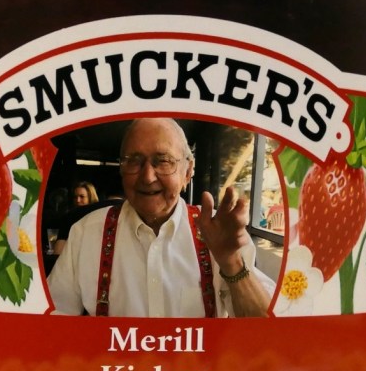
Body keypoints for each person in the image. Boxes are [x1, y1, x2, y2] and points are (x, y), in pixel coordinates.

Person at [47, 118, 273, 317]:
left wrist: (231, 262)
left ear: (187, 172)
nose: (147, 177)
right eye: (134, 160)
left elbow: (266, 331)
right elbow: (50, 321)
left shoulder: (218, 229)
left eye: (163, 161)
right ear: (121, 169)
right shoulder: (86, 233)